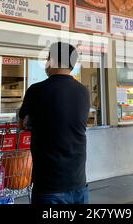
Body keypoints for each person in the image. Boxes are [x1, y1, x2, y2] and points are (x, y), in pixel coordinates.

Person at [19, 42, 90, 204]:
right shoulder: (83, 91)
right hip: (79, 183)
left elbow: (22, 124)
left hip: (49, 186)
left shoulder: (36, 90)